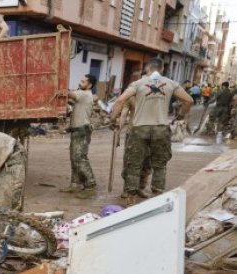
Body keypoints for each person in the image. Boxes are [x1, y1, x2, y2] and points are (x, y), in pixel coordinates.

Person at [110, 58, 192, 205]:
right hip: (161, 129)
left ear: (147, 69)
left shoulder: (137, 83)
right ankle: (158, 198)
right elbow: (189, 100)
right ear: (162, 69)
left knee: (134, 164)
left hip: (139, 129)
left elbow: (120, 101)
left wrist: (113, 119)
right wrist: (181, 115)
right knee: (159, 165)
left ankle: (131, 198)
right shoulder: (171, 83)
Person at [60, 74, 97, 198]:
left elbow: (69, 94)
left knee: (79, 158)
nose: (81, 83)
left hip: (82, 131)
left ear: (89, 85)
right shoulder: (83, 94)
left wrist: (59, 85)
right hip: (78, 130)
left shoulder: (84, 94)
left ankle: (90, 185)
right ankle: (75, 184)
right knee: (74, 158)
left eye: (83, 81)